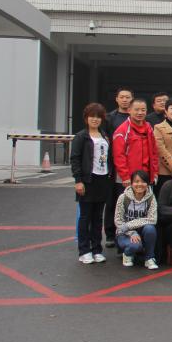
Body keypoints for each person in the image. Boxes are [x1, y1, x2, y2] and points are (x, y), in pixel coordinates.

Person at [71, 102, 112, 264]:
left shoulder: (104, 136)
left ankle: (96, 249)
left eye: (98, 117)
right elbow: (75, 159)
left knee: (98, 217)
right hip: (88, 180)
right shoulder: (81, 136)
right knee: (85, 217)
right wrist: (78, 180)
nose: (95, 119)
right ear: (86, 118)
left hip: (103, 179)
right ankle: (84, 250)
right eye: (92, 117)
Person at [103, 86, 133, 247]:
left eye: (128, 97)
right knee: (112, 201)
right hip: (114, 166)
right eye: (122, 97)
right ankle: (110, 233)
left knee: (129, 201)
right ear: (117, 99)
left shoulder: (136, 117)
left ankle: (127, 232)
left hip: (132, 165)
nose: (125, 100)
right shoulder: (109, 119)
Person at [114, 170, 159, 269]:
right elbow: (118, 221)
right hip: (125, 232)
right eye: (136, 181)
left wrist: (129, 225)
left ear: (147, 184)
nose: (140, 184)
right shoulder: (123, 197)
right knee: (135, 246)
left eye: (143, 181)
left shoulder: (151, 198)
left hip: (140, 230)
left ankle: (149, 258)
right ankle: (127, 254)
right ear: (131, 183)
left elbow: (152, 219)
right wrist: (132, 232)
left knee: (150, 228)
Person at [113, 98, 159, 191]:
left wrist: (154, 172)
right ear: (129, 110)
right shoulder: (122, 130)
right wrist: (125, 176)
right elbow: (119, 156)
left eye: (143, 110)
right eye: (136, 110)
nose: (140, 113)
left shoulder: (149, 128)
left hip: (146, 177)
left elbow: (154, 152)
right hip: (129, 179)